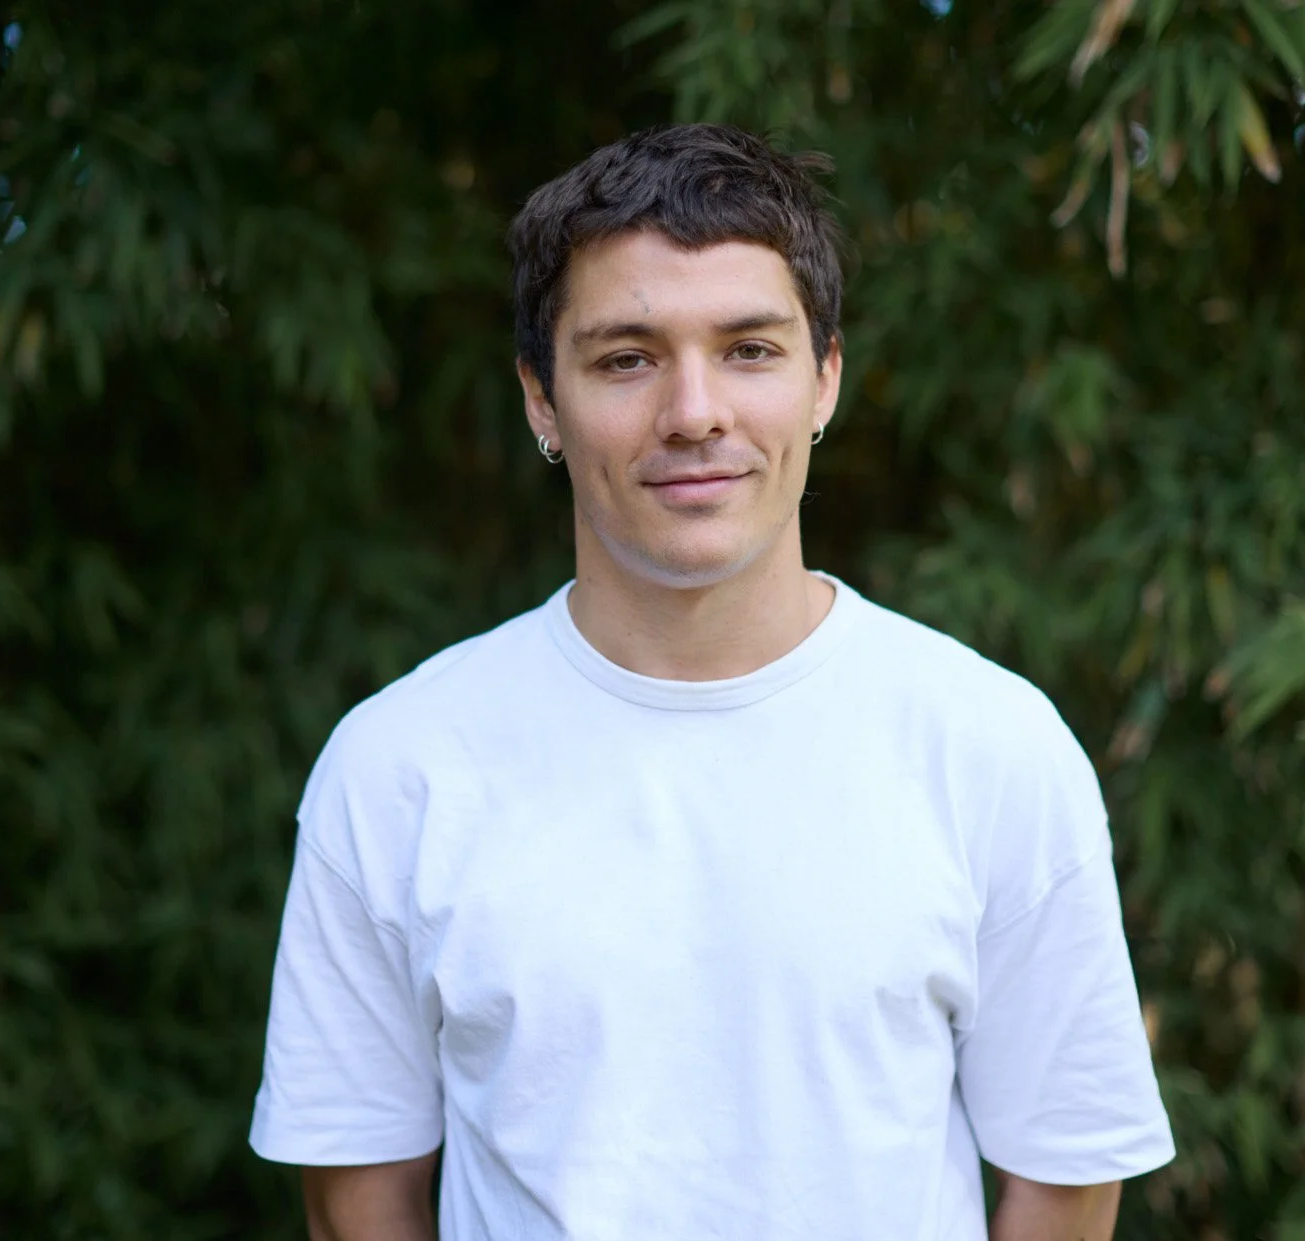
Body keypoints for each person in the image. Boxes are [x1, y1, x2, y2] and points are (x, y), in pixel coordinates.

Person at [249, 122, 1174, 1241]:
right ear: (543, 398)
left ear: (826, 378)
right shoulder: (399, 766)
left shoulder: (991, 745)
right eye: (627, 358)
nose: (694, 413)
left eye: (749, 348)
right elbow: (358, 1190)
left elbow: (1063, 1177)